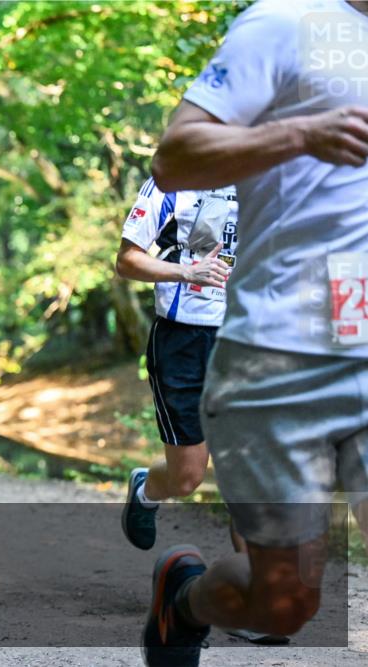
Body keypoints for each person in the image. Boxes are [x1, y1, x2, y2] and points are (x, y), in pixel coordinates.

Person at [141, 1, 368, 665]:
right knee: (284, 604)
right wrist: (300, 134)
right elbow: (173, 158)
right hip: (280, 354)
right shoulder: (285, 21)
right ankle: (184, 598)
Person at [117, 181, 239, 552]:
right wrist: (186, 272)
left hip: (244, 339)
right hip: (182, 339)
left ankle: (257, 582)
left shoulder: (263, 176)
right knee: (187, 478)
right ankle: (146, 490)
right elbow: (127, 260)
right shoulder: (171, 181)